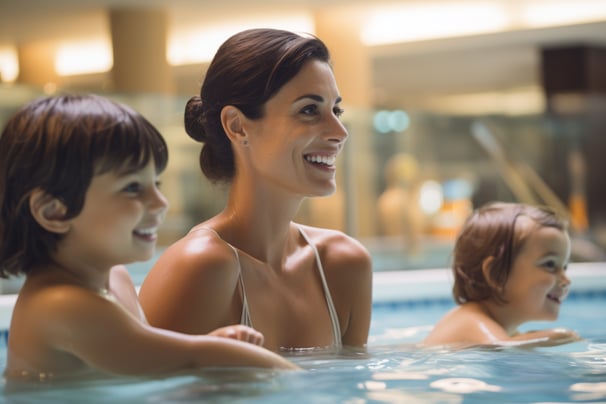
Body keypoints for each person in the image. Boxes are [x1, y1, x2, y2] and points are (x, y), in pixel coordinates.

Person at [0, 94, 298, 383]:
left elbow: (153, 358)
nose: (160, 202)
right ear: (54, 211)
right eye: (132, 187)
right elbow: (194, 358)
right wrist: (303, 387)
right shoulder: (59, 304)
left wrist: (214, 345)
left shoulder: (116, 279)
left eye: (155, 182)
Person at [139, 28, 373, 352]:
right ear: (237, 126)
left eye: (336, 110)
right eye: (309, 110)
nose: (339, 131)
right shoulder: (200, 267)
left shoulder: (344, 265)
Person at [423, 202, 581, 348]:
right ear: (496, 274)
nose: (566, 280)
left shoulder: (505, 330)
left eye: (565, 267)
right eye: (550, 265)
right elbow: (502, 349)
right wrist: (559, 336)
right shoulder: (471, 320)